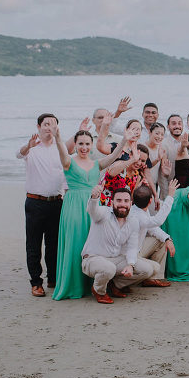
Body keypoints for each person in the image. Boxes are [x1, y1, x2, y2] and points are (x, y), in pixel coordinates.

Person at [52, 126, 126, 300]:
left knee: (94, 243)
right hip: (74, 206)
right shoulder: (69, 162)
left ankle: (93, 283)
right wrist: (58, 138)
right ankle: (74, 285)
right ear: (75, 145)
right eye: (80, 144)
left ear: (91, 145)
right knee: (75, 242)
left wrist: (124, 140)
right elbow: (62, 152)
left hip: (94, 205)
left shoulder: (96, 164)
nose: (84, 147)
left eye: (87, 144)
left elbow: (114, 156)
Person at [17, 113, 66, 297]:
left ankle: (52, 278)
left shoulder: (60, 148)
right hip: (35, 202)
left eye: (53, 124)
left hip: (56, 202)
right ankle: (36, 282)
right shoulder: (32, 147)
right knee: (34, 244)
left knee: (54, 244)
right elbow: (19, 154)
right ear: (38, 127)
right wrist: (28, 146)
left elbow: (67, 167)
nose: (49, 127)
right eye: (46, 124)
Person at [81, 186, 153, 304]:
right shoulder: (104, 213)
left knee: (146, 270)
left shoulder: (133, 221)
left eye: (126, 201)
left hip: (116, 259)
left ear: (131, 203)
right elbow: (93, 211)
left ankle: (116, 285)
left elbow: (132, 247)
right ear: (112, 202)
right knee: (109, 268)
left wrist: (130, 265)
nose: (122, 204)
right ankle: (99, 291)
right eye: (118, 200)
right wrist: (94, 197)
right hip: (93, 259)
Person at [130, 183, 177, 288]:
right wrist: (170, 196)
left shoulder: (138, 209)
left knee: (162, 240)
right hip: (131, 254)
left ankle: (152, 279)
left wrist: (167, 239)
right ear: (150, 201)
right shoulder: (137, 214)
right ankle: (119, 284)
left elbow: (152, 228)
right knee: (153, 267)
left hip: (137, 248)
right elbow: (157, 221)